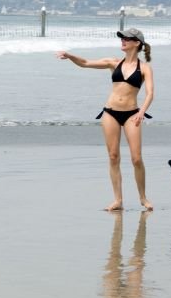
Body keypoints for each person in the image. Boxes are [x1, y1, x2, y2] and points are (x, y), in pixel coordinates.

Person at [56, 28, 154, 211]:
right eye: (122, 38)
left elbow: (150, 93)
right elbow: (85, 63)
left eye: (127, 39)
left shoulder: (145, 68)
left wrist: (143, 111)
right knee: (113, 156)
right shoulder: (113, 62)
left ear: (137, 43)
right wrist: (70, 56)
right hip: (110, 113)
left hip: (132, 114)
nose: (122, 41)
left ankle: (143, 198)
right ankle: (118, 200)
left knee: (136, 159)